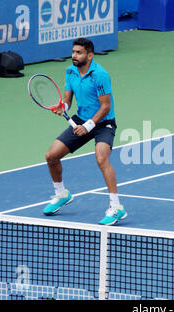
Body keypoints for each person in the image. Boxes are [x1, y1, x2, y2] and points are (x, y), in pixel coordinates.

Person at [44, 37, 127, 226]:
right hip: (81, 120)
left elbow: (105, 107)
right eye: (73, 52)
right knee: (51, 156)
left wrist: (88, 126)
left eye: (78, 52)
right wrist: (62, 106)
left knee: (101, 158)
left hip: (103, 123)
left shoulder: (100, 74)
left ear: (90, 55)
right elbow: (67, 100)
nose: (74, 55)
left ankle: (116, 208)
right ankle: (61, 194)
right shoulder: (70, 71)